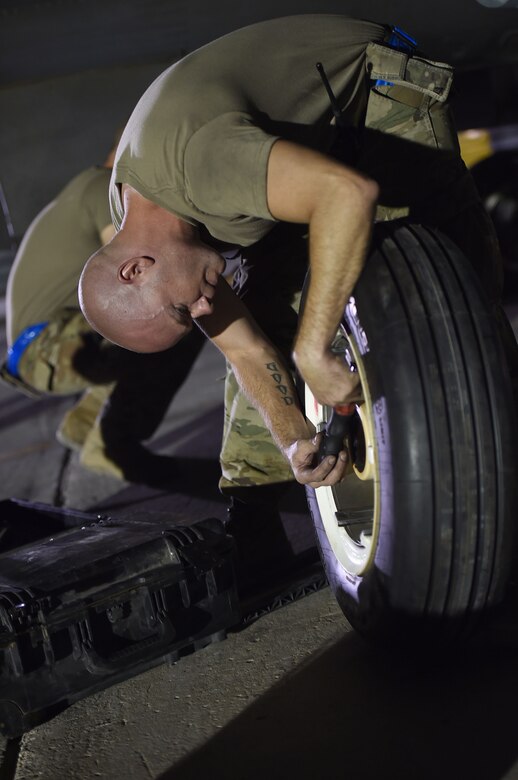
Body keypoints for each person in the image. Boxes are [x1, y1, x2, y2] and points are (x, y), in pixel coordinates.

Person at [78, 16, 518, 525]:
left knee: (451, 285)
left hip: (369, 97)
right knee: (267, 310)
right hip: (294, 145)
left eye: (183, 309)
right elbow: (243, 347)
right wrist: (292, 439)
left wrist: (313, 349)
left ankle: (488, 444)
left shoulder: (199, 167)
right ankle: (263, 510)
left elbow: (345, 193)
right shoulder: (150, 229)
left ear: (135, 270)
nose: (203, 309)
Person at [2, 141, 206, 484]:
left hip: (43, 349)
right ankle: (114, 442)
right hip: (49, 349)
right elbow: (140, 272)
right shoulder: (104, 187)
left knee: (154, 309)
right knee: (171, 312)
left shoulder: (85, 186)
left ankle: (86, 424)